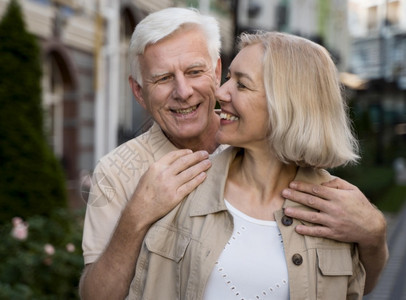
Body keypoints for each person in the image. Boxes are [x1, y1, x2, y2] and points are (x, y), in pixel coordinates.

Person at [80, 8, 387, 299]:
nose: (183, 91)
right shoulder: (120, 173)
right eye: (162, 78)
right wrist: (136, 216)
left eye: (195, 71)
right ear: (138, 92)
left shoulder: (317, 193)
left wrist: (373, 234)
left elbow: (355, 284)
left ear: (215, 71)